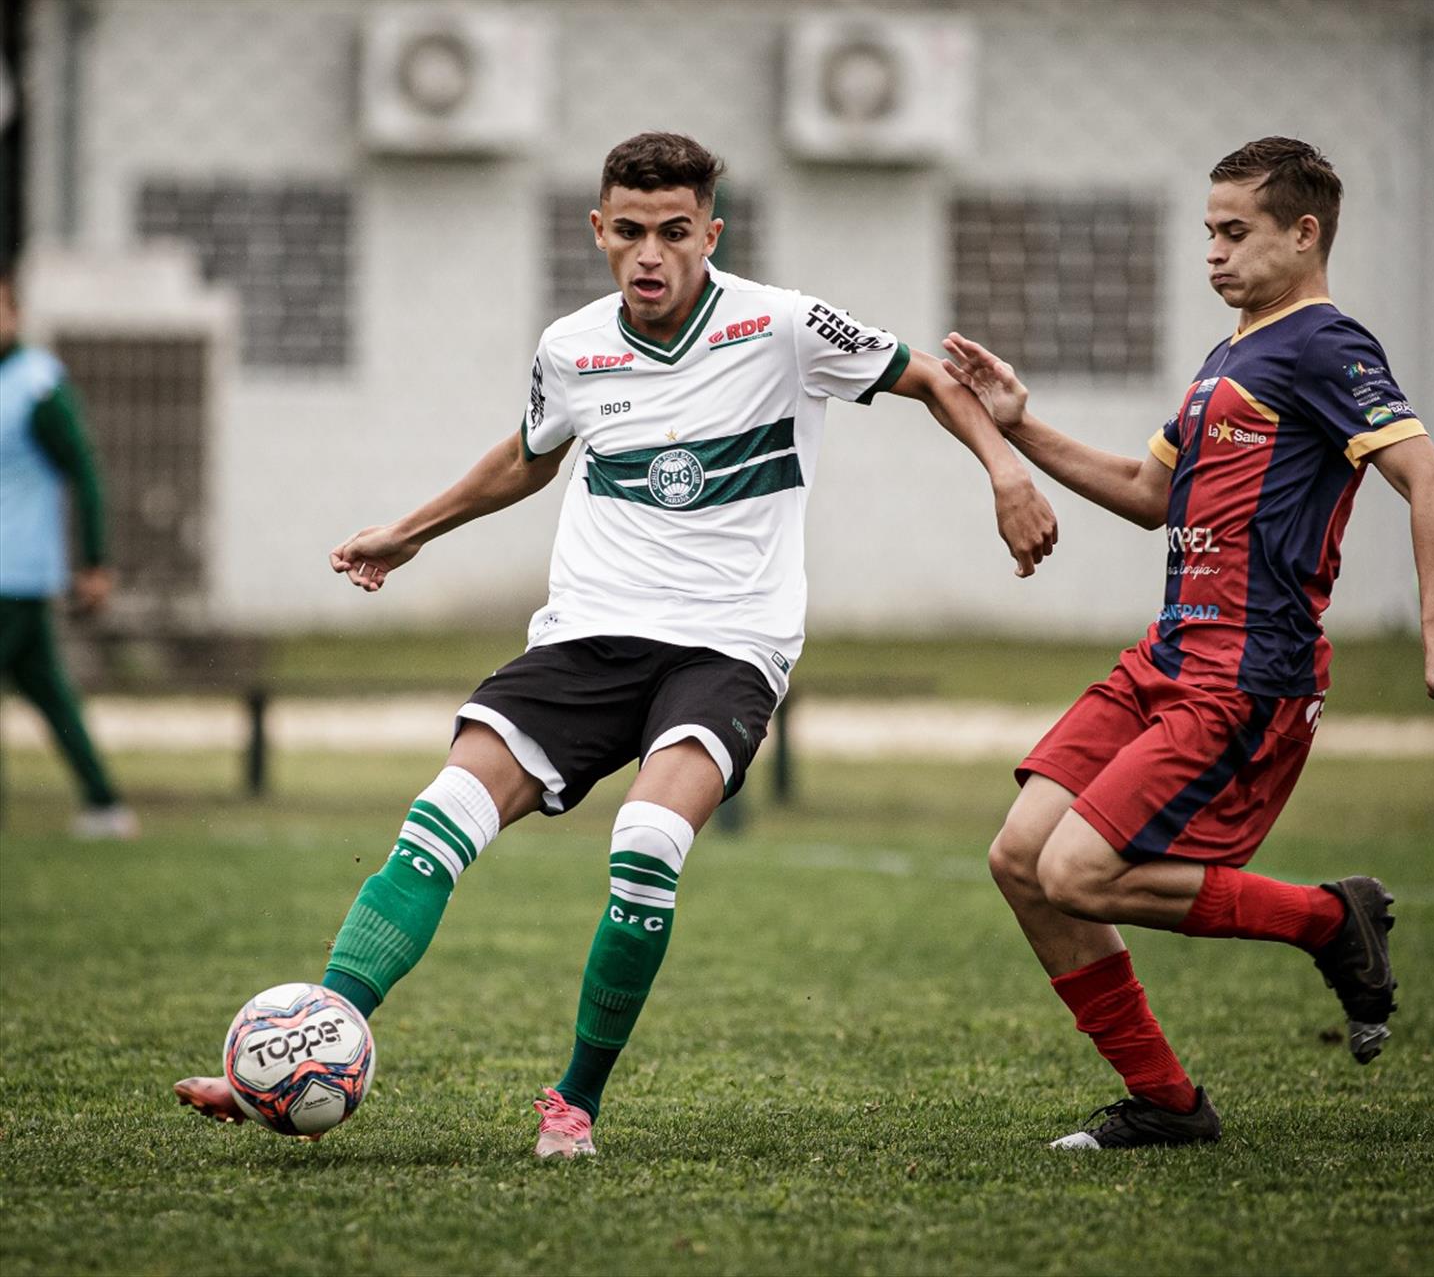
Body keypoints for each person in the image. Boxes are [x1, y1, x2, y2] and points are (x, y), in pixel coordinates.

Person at [174, 132, 1058, 1155]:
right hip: (589, 635)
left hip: (726, 647)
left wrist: (1006, 472)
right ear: (598, 230)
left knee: (645, 843)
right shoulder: (572, 346)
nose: (650, 253)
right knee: (441, 810)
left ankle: (574, 1101)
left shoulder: (780, 324)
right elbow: (526, 456)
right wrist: (406, 532)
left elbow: (932, 379)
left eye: (674, 232)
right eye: (629, 231)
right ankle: (302, 1046)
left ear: (708, 233)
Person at [944, 137, 1434, 1151]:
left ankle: (1331, 921)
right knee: (1020, 855)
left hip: (1245, 673)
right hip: (1166, 656)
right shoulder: (1229, 355)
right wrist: (1020, 426)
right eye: (1207, 231)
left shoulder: (1326, 346)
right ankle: (1165, 1100)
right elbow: (1149, 493)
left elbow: (1432, 482)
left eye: (1234, 232)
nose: (1213, 252)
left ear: (1303, 232)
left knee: (1074, 868)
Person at [0, 266, 137, 839]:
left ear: (15, 313)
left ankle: (106, 804)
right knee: (50, 692)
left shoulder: (37, 385)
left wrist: (96, 561)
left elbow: (84, 471)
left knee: (50, 692)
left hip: (16, 572)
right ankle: (105, 803)